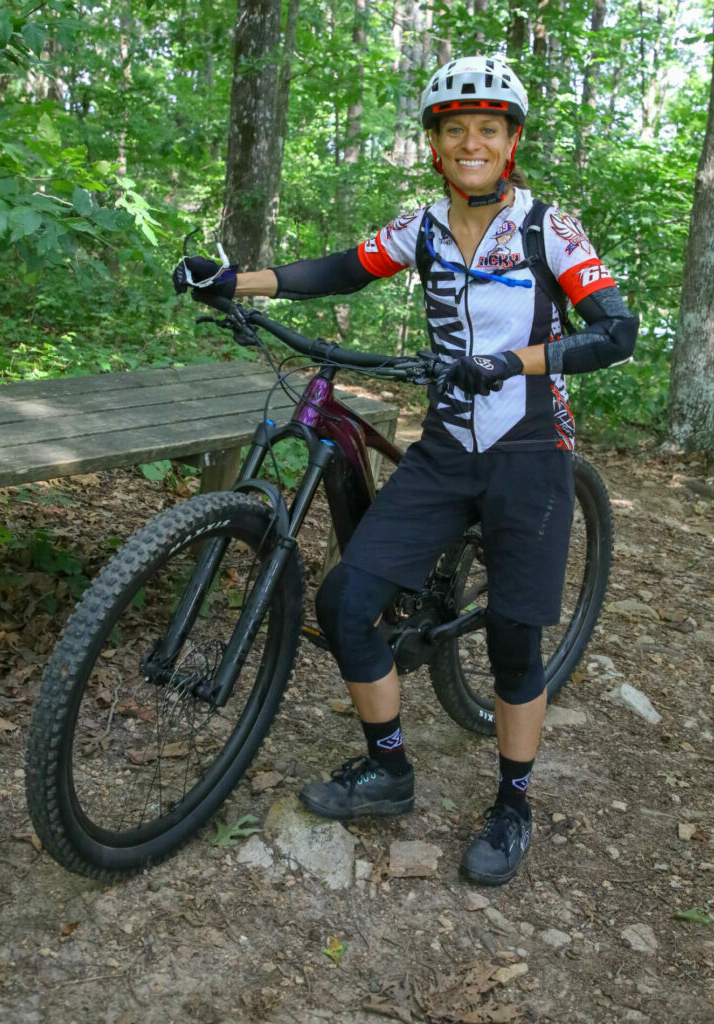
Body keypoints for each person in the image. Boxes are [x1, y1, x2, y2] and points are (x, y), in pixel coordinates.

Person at [174, 55, 638, 886]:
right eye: (453, 128)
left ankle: (513, 801)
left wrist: (513, 363)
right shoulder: (423, 227)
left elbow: (614, 331)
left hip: (532, 453)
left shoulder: (545, 229)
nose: (470, 142)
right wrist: (234, 281)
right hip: (447, 448)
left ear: (511, 141)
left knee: (512, 639)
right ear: (435, 143)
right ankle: (388, 769)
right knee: (348, 600)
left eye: (486, 129)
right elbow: (343, 269)